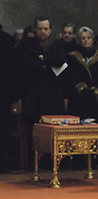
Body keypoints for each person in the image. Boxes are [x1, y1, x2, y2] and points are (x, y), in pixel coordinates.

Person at [18, 17, 67, 161]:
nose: (43, 32)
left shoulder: (57, 44)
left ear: (50, 30)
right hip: (33, 92)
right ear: (35, 29)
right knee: (33, 127)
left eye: (46, 29)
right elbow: (26, 64)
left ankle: (53, 160)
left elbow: (61, 60)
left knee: (53, 127)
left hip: (53, 93)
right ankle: (33, 160)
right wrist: (45, 62)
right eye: (40, 29)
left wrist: (43, 59)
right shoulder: (27, 44)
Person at [64, 26, 98, 124]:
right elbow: (72, 75)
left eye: (88, 38)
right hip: (79, 97)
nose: (86, 40)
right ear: (79, 40)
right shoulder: (73, 56)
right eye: (83, 38)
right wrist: (81, 87)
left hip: (97, 97)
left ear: (93, 40)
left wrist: (95, 89)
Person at [0, 23, 18, 172]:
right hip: (4, 94)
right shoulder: (8, 40)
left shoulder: (7, 41)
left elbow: (13, 71)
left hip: (3, 93)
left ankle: (3, 162)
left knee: (2, 128)